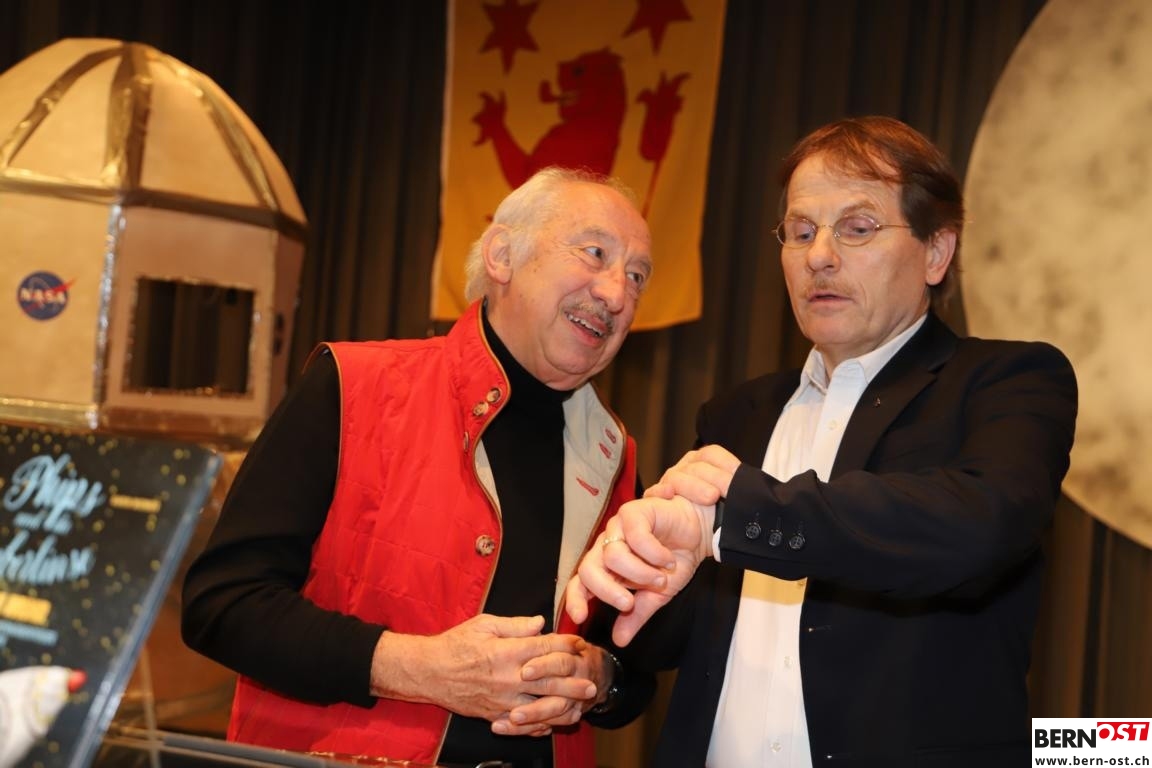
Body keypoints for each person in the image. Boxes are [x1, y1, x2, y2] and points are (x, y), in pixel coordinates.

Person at [562, 116, 1078, 767]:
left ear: (936, 252)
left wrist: (738, 515)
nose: (819, 256)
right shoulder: (736, 416)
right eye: (801, 232)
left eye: (857, 228)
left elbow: (981, 525)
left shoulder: (1006, 380)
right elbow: (669, 642)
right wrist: (636, 587)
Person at [182, 167, 656, 768]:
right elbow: (221, 605)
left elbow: (636, 672)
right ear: (503, 256)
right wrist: (417, 669)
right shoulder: (352, 387)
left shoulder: (615, 458)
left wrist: (598, 678)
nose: (616, 295)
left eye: (636, 276)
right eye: (595, 254)